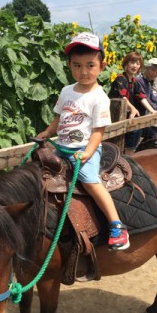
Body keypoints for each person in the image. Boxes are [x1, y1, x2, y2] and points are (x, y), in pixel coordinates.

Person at [37, 32, 129, 250]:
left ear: (102, 66)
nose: (84, 71)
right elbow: (59, 118)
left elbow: (98, 131)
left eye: (90, 65)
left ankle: (116, 224)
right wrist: (48, 132)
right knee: (39, 170)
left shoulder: (99, 97)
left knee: (89, 180)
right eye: (77, 66)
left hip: (85, 148)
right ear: (69, 66)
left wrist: (88, 152)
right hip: (62, 146)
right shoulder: (67, 91)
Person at [133, 58, 157, 150]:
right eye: (153, 70)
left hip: (140, 117)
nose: (155, 73)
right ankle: (136, 157)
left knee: (152, 136)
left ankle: (138, 156)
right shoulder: (139, 81)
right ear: (146, 68)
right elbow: (145, 98)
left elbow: (152, 97)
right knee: (133, 143)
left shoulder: (147, 82)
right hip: (135, 118)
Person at [108, 52, 141, 151]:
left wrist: (153, 110)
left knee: (140, 129)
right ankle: (126, 155)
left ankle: (129, 153)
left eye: (138, 63)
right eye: (132, 62)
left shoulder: (135, 81)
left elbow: (141, 96)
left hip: (125, 113)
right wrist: (133, 109)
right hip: (114, 114)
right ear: (126, 64)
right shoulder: (120, 78)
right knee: (117, 140)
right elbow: (123, 97)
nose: (135, 66)